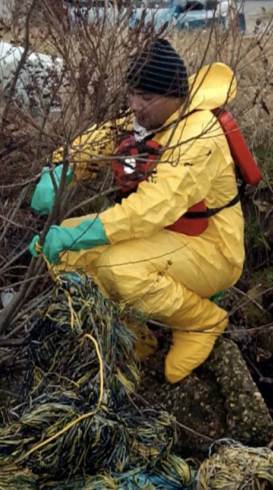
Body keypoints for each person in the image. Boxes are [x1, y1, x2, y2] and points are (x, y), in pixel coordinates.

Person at [28, 38, 252, 384]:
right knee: (67, 257)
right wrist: (64, 165)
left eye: (145, 98)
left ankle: (201, 321)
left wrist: (82, 234)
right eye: (133, 94)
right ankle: (135, 337)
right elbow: (108, 135)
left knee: (115, 266)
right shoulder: (159, 115)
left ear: (174, 95)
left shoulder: (199, 136)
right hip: (169, 236)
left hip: (213, 250)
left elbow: (153, 206)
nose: (134, 105)